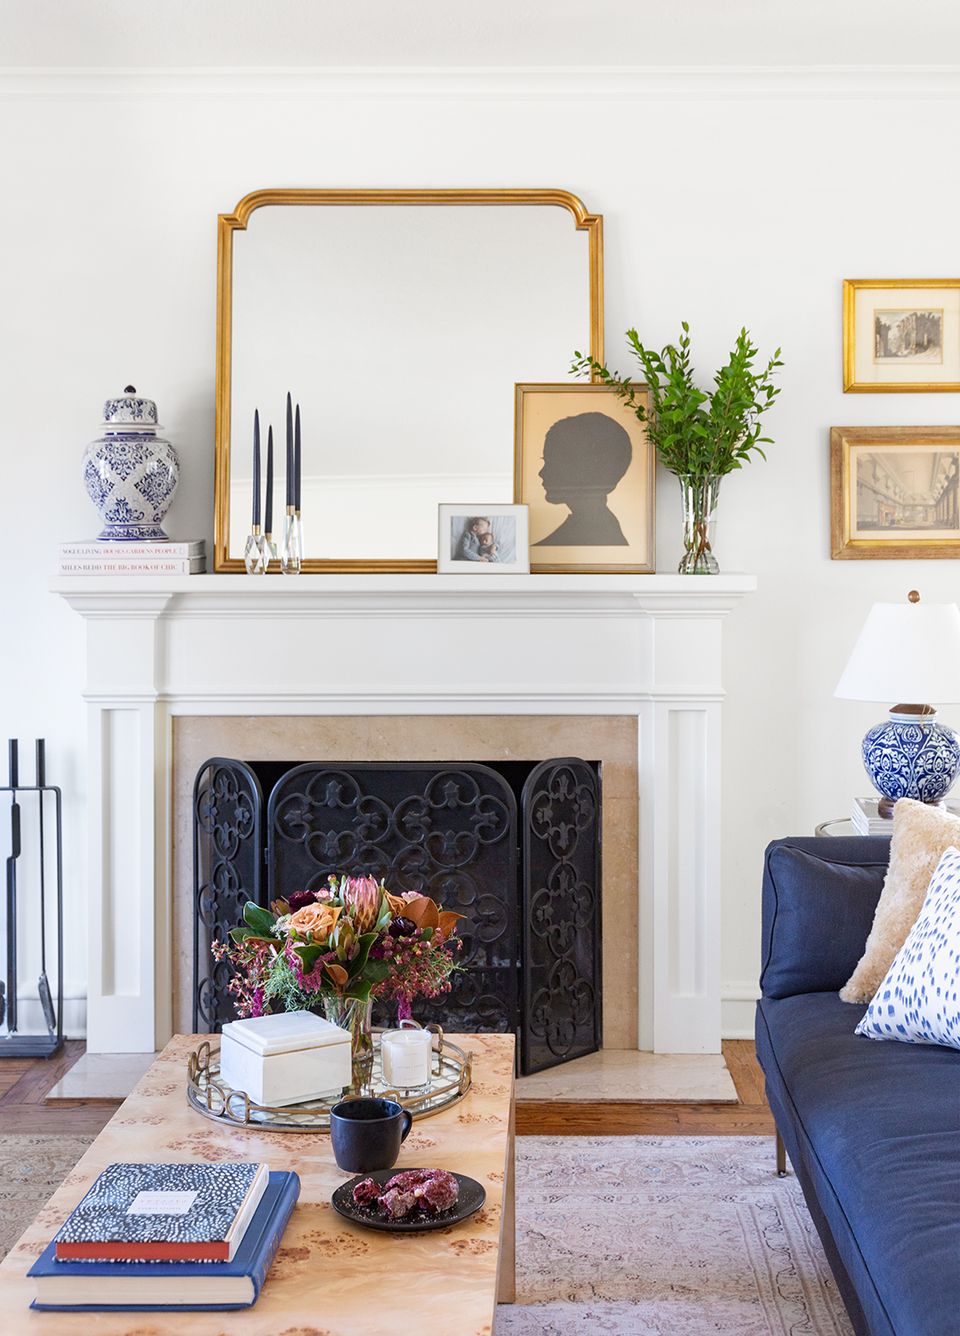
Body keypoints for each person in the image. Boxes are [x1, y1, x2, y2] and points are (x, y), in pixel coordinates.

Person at [534, 412, 632, 546]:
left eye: (552, 462)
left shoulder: (599, 533)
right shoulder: (605, 528)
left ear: (582, 468)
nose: (542, 473)